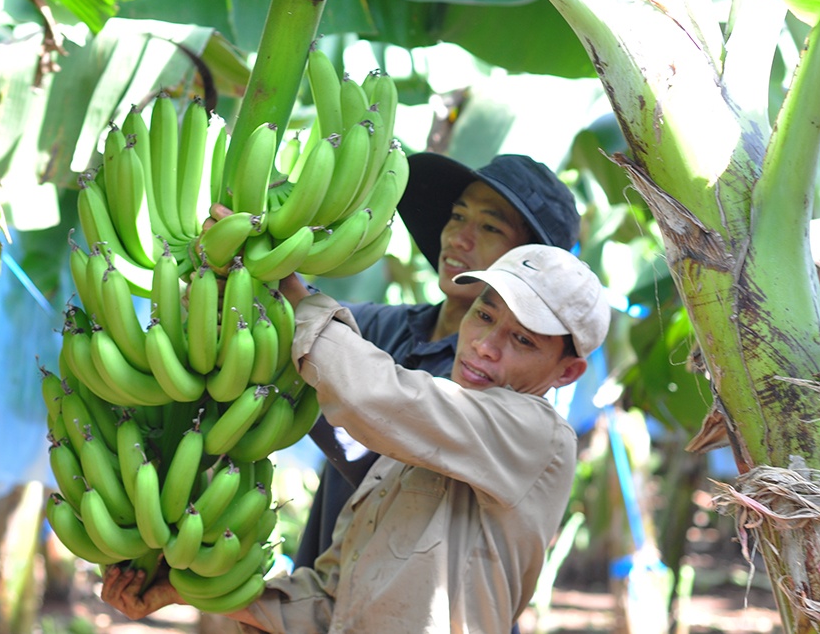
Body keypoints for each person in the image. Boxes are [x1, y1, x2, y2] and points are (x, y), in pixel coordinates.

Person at [99, 243, 612, 633]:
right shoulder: (407, 456)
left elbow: (379, 397)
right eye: (484, 314)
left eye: (522, 339)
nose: (485, 345)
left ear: (567, 371)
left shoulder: (538, 435)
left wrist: (296, 297)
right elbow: (328, 602)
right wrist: (191, 591)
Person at [296, 152, 582, 570]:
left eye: (489, 227)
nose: (458, 238)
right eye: (457, 215)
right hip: (322, 596)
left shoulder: (496, 383)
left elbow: (380, 420)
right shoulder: (391, 326)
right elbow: (308, 317)